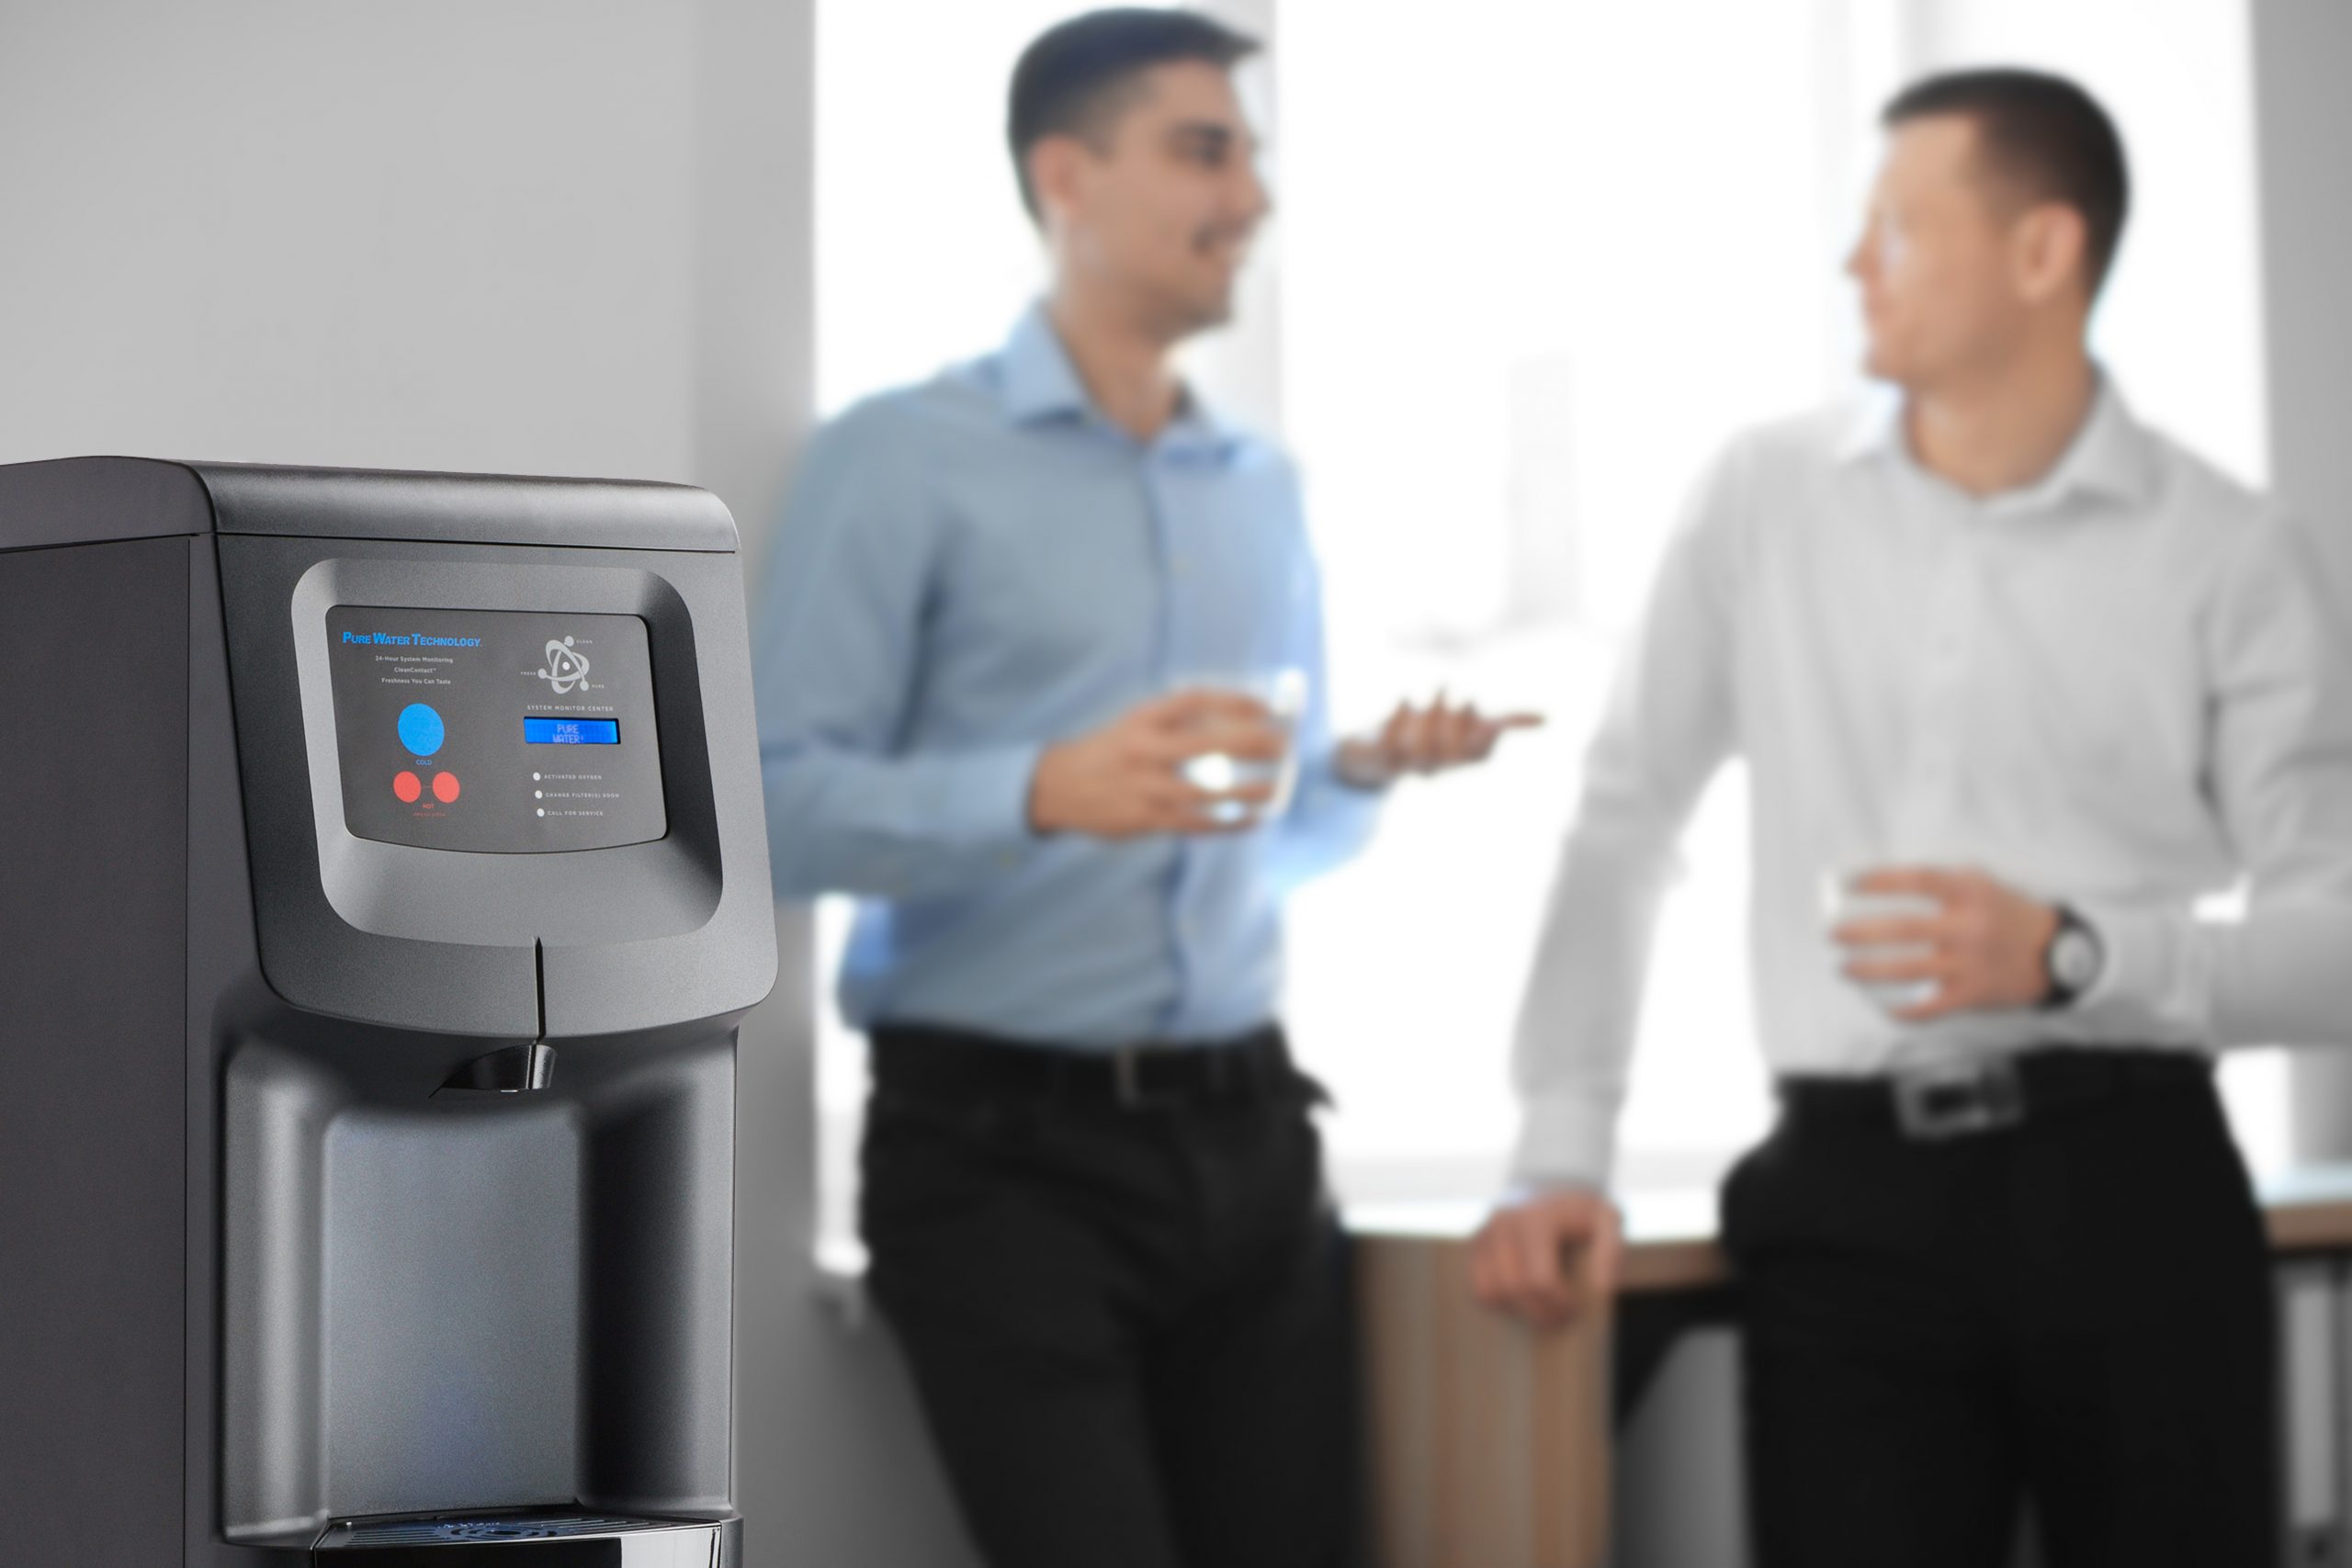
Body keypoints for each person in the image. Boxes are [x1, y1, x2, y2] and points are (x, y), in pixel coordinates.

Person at [1474, 67, 2352, 1566]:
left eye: (1892, 227)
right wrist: (1563, 1149)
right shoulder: (1760, 500)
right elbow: (1625, 820)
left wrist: (2079, 957)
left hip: (2133, 1183)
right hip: (1845, 1201)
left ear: (2040, 251)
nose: (1851, 265)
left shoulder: (2232, 553)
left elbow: (2335, 942)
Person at [752, 12, 1534, 1567]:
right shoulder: (901, 458)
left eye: (1249, 155)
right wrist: (1043, 788)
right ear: (1067, 175)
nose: (1251, 196)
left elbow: (1269, 840)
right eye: (1206, 149)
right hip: (997, 1169)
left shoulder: (1263, 490)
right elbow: (768, 810)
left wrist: (1358, 772)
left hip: (1252, 1150)